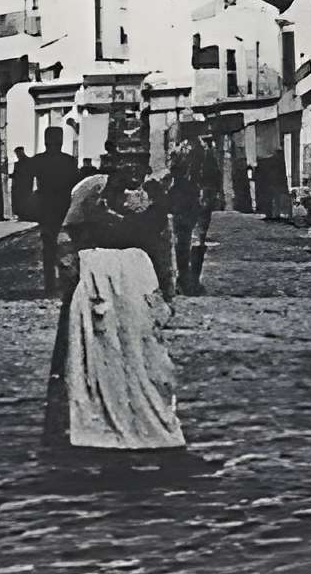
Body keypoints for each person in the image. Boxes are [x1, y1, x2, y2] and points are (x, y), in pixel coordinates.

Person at [43, 149, 193, 464]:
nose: (131, 169)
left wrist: (167, 290)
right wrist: (73, 274)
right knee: (93, 357)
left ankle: (145, 423)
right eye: (123, 161)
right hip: (96, 283)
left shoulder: (154, 194)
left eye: (138, 161)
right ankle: (92, 426)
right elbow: (66, 236)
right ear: (110, 163)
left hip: (138, 282)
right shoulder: (90, 192)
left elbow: (163, 242)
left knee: (145, 354)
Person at [24, 128, 83, 290]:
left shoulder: (38, 160)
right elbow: (76, 184)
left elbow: (28, 183)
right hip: (64, 205)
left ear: (45, 140)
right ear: (61, 141)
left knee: (48, 244)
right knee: (68, 244)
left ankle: (50, 283)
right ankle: (68, 281)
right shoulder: (69, 161)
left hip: (46, 206)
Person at [167, 127, 223, 294]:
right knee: (197, 240)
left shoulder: (178, 152)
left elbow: (171, 173)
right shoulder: (206, 153)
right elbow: (215, 176)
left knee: (182, 241)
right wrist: (214, 195)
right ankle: (192, 281)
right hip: (198, 200)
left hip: (181, 200)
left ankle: (184, 279)